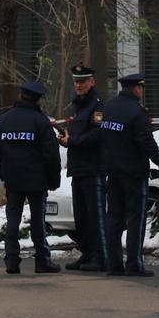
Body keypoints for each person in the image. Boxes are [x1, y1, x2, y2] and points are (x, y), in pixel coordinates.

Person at [0, 81, 62, 275]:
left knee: (13, 219)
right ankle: (42, 260)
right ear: (38, 99)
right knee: (38, 220)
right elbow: (52, 154)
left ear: (21, 96)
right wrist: (54, 180)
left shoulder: (3, 119)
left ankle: (11, 261)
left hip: (13, 178)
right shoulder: (40, 121)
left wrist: (1, 168)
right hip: (37, 180)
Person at [100, 73, 159, 277]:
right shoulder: (137, 112)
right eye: (141, 88)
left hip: (113, 171)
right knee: (136, 219)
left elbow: (103, 136)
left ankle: (113, 263)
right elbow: (146, 141)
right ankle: (134, 264)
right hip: (134, 173)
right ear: (137, 89)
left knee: (114, 218)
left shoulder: (109, 108)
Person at [58, 64, 108, 271]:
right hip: (78, 168)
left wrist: (73, 142)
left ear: (92, 82)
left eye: (83, 81)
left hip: (93, 169)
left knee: (95, 215)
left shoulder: (97, 107)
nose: (78, 85)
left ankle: (101, 256)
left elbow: (98, 134)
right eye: (76, 81)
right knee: (81, 215)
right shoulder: (77, 107)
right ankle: (87, 253)